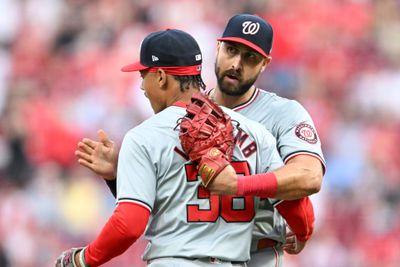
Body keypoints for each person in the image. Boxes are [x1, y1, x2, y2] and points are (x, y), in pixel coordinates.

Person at [76, 14, 325, 267]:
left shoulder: (281, 113)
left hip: (254, 253)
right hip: (230, 257)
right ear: (217, 48)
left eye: (250, 57)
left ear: (265, 64)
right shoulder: (253, 131)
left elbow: (309, 177)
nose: (236, 64)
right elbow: (172, 197)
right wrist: (119, 176)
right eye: (231, 50)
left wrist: (238, 185)